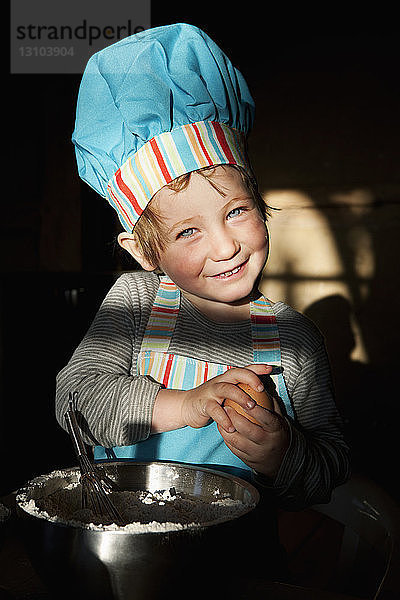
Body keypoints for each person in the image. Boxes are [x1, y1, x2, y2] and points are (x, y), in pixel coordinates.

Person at [56, 23, 349, 512]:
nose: (225, 247)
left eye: (236, 212)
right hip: (127, 535)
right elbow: (77, 399)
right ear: (145, 253)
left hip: (244, 555)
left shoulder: (296, 339)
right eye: (188, 231)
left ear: (259, 201)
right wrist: (188, 405)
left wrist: (284, 454)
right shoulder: (135, 301)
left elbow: (333, 462)